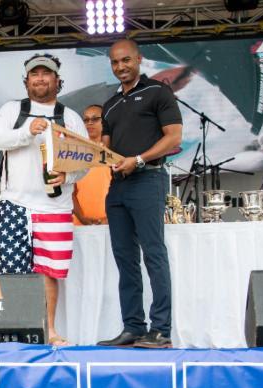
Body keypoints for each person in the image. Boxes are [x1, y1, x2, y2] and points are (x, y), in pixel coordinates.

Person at [0, 53, 88, 347]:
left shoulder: (70, 117)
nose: (40, 79)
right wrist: (26, 132)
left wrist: (67, 178)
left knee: (48, 273)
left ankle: (49, 330)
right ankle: (11, 333)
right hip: (14, 204)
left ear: (58, 81)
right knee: (10, 271)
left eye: (47, 74)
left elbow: (85, 161)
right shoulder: (12, 110)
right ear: (26, 80)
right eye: (35, 74)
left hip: (55, 207)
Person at [97, 39, 183, 349]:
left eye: (126, 60)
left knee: (153, 255)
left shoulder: (158, 92)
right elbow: (105, 148)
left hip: (149, 179)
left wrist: (139, 160)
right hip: (117, 186)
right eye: (115, 62)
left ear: (139, 59)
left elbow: (174, 137)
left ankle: (161, 330)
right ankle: (133, 327)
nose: (121, 67)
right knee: (125, 259)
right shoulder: (110, 104)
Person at [73, 104, 110, 226]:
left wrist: (110, 218)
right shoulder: (76, 153)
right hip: (79, 224)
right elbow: (70, 192)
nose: (89, 123)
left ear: (104, 121)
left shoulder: (114, 152)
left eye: (95, 119)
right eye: (86, 120)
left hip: (111, 223)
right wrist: (82, 218)